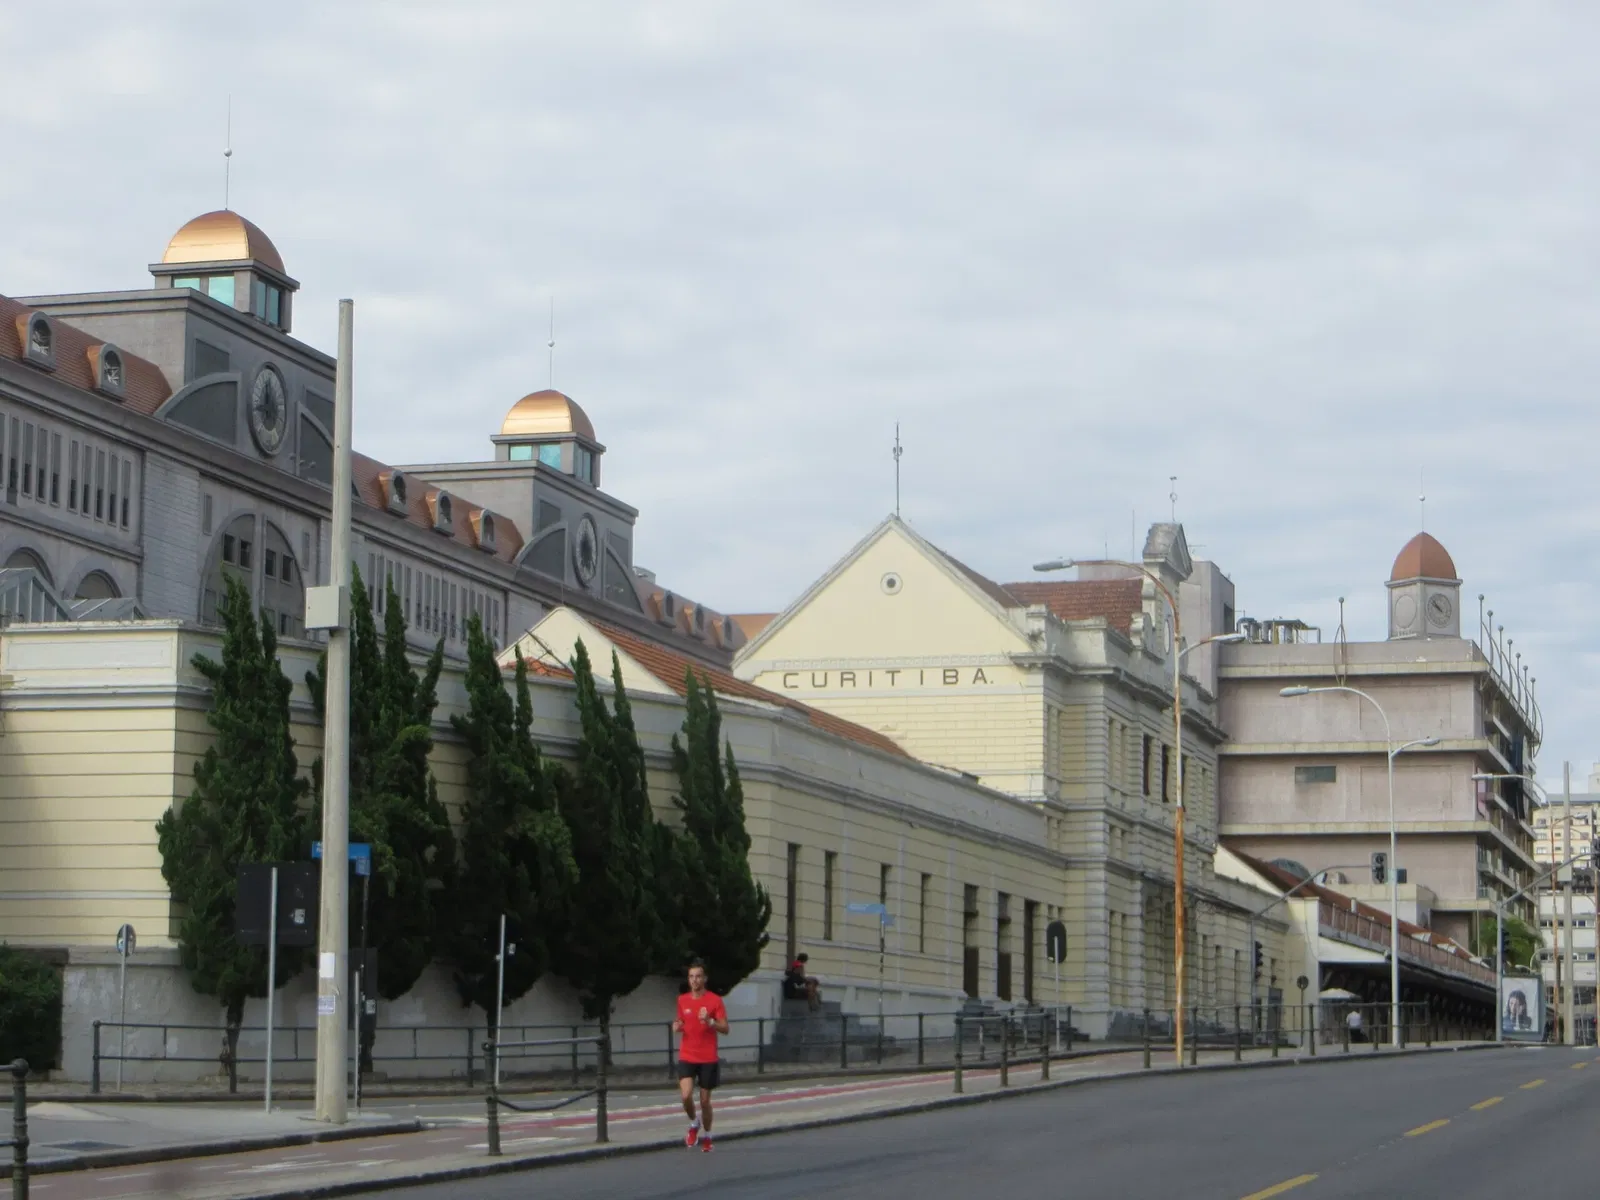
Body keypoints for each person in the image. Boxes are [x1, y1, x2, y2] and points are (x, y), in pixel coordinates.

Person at [674, 958, 728, 1153]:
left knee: (705, 1101)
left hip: (707, 1057)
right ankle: (693, 1122)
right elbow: (681, 1020)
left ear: (704, 979)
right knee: (686, 1095)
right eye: (691, 977)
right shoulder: (682, 999)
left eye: (698, 977)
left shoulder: (714, 1000)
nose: (694, 980)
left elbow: (725, 1028)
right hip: (687, 1055)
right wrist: (677, 1026)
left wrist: (710, 1021)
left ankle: (708, 1135)